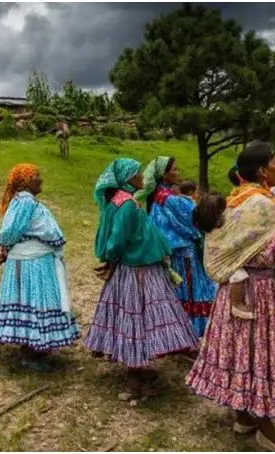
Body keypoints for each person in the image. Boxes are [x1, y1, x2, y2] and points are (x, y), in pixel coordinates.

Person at [186, 142, 275, 452]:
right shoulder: (262, 205)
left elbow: (233, 247)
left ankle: (244, 414)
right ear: (262, 170)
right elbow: (274, 256)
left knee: (240, 349)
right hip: (258, 292)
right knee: (260, 352)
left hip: (233, 291)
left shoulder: (237, 199)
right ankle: (264, 426)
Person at [84, 158, 198, 396]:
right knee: (137, 319)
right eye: (137, 174)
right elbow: (117, 239)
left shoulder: (122, 201)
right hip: (138, 269)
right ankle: (135, 376)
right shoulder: (127, 205)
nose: (141, 178)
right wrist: (113, 257)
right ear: (127, 179)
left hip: (136, 267)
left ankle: (138, 367)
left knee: (134, 318)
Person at [0, 163, 80, 371]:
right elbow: (10, 231)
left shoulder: (24, 201)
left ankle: (34, 349)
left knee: (31, 302)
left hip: (33, 259)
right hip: (31, 261)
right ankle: (30, 353)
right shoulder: (26, 201)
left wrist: (5, 250)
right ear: (27, 181)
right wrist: (5, 248)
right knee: (34, 301)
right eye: (37, 176)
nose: (41, 180)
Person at [135, 157, 218, 338]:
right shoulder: (172, 200)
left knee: (175, 291)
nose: (178, 173)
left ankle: (175, 332)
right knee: (189, 292)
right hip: (184, 254)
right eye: (175, 169)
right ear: (164, 174)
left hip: (170, 253)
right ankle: (189, 332)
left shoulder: (158, 196)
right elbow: (194, 223)